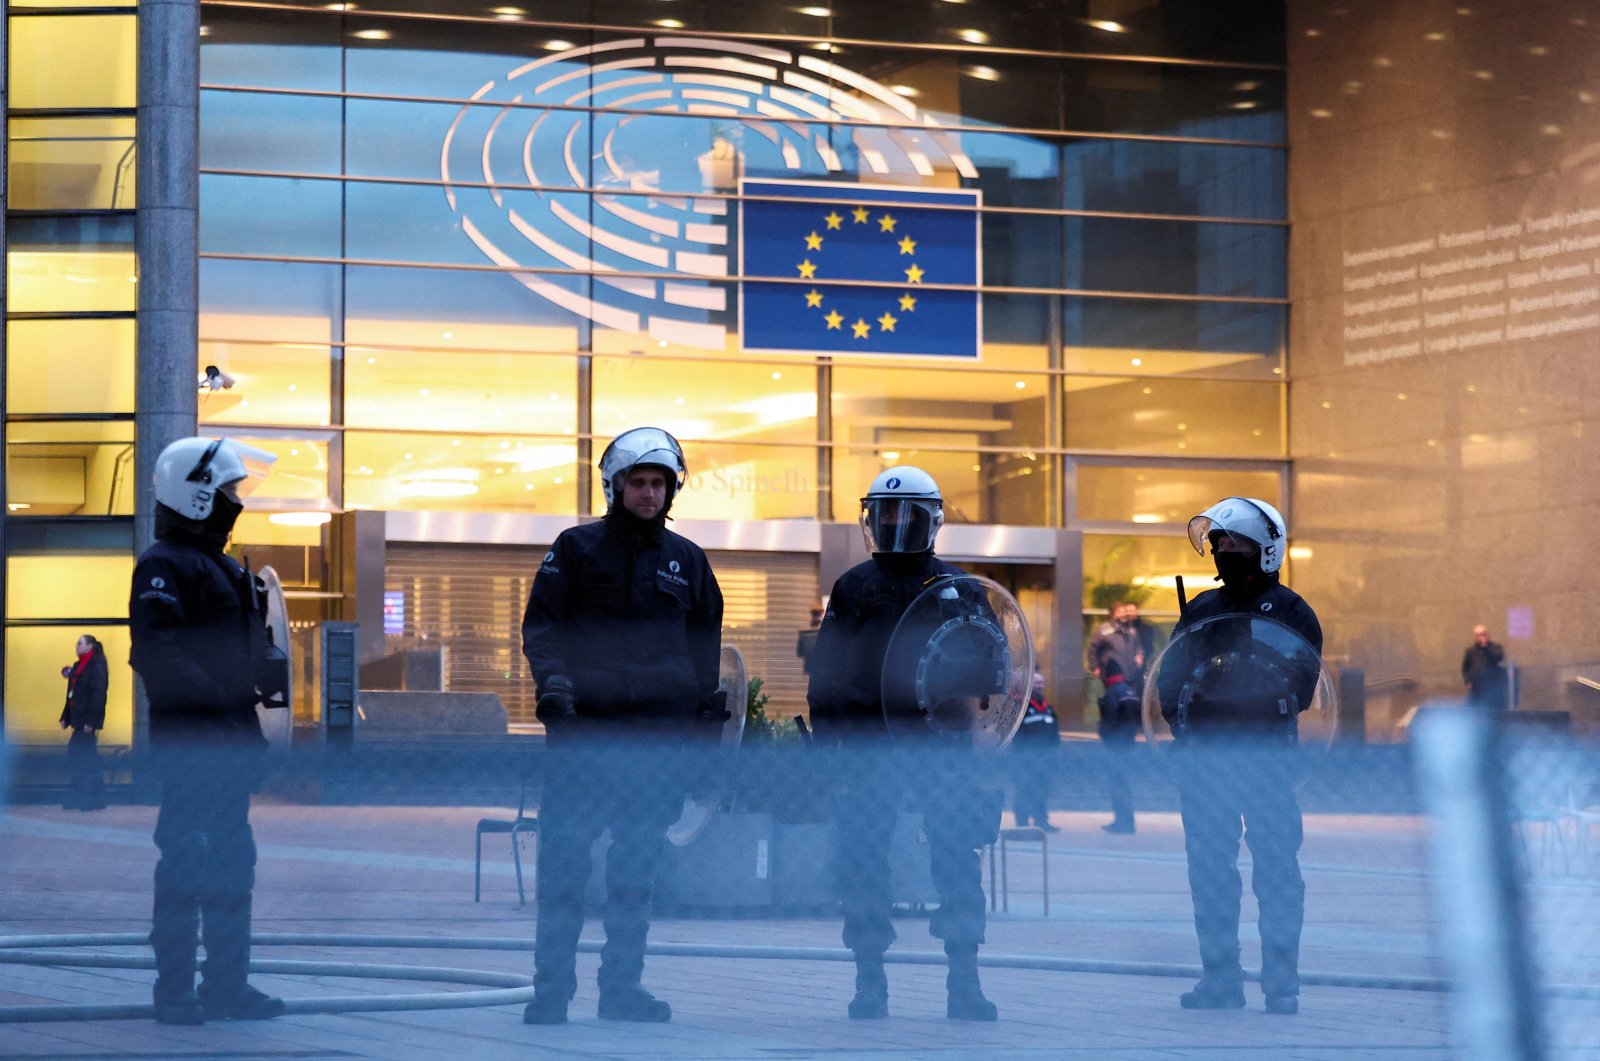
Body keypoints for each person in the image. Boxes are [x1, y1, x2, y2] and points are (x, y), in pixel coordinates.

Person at [520, 426, 724, 1026]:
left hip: (656, 744)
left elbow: (704, 652)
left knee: (636, 870)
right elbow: (543, 628)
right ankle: (550, 992)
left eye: (659, 483)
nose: (648, 493)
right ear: (615, 485)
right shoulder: (575, 548)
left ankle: (621, 990)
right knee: (565, 868)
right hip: (586, 736)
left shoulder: (688, 561)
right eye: (638, 481)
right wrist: (554, 685)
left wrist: (702, 729)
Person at [807, 466, 1002, 1022]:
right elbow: (826, 673)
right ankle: (870, 980)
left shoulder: (960, 589)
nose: (893, 522)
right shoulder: (853, 587)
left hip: (940, 746)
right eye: (885, 512)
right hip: (869, 748)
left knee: (957, 859)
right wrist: (829, 747)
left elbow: (994, 668)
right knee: (865, 860)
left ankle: (964, 981)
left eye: (905, 513)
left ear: (929, 519)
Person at [129, 436, 287, 1026]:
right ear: (193, 496)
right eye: (226, 491)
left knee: (231, 867)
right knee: (186, 867)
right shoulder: (163, 565)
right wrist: (221, 702)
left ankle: (225, 985)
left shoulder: (221, 566)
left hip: (228, 742)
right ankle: (174, 991)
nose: (235, 501)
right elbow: (157, 651)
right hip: (193, 746)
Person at [1155, 497, 1322, 1017]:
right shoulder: (1202, 610)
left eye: (1237, 543)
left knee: (1276, 872)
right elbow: (1168, 682)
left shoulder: (1293, 612)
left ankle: (1281, 984)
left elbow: (1302, 687)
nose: (1225, 550)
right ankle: (1220, 979)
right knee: (1209, 873)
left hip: (1268, 763)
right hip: (1205, 765)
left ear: (1266, 550)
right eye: (1219, 542)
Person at [1088, 602, 1156, 834]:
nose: (1125, 615)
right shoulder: (1104, 631)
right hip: (1125, 745)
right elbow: (1093, 649)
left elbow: (1109, 722)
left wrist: (1107, 739)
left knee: (1119, 783)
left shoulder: (1114, 694)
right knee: (1122, 782)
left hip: (1117, 747)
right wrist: (1094, 666)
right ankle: (1125, 821)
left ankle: (1123, 822)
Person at [59, 634, 109, 811]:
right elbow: (71, 693)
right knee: (88, 757)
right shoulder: (78, 666)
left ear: (90, 646)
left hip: (86, 722)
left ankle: (86, 797)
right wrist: (66, 716)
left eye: (80, 643)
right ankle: (94, 797)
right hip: (79, 720)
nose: (76, 646)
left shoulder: (96, 666)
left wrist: (92, 721)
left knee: (78, 756)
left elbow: (98, 694)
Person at [1011, 671, 1060, 831]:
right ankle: (1022, 822)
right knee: (1024, 789)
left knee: (1042, 790)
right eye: (1037, 683)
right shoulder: (1021, 709)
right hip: (1026, 759)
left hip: (1045, 759)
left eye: (1042, 683)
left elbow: (1055, 732)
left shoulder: (1048, 708)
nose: (1040, 686)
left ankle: (1041, 820)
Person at [1461, 625, 1509, 709]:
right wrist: (1467, 680)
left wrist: (1486, 648)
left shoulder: (1496, 647)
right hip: (1476, 685)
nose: (1481, 637)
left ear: (1487, 635)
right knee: (1472, 707)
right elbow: (1465, 667)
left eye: (1483, 634)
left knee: (1491, 707)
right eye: (1478, 635)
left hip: (1491, 684)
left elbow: (1499, 658)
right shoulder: (1471, 651)